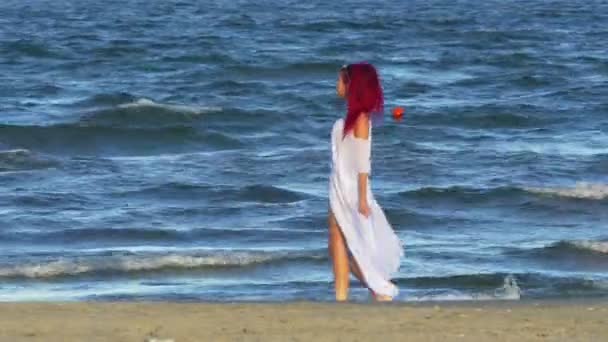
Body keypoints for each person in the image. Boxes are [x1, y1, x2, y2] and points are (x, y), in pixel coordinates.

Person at [328, 63, 403, 302]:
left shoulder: (361, 119)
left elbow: (363, 162)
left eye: (340, 80)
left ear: (351, 86)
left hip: (350, 189)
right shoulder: (350, 119)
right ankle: (347, 295)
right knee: (336, 242)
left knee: (349, 244)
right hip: (338, 184)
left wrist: (362, 197)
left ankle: (379, 289)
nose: (336, 85)